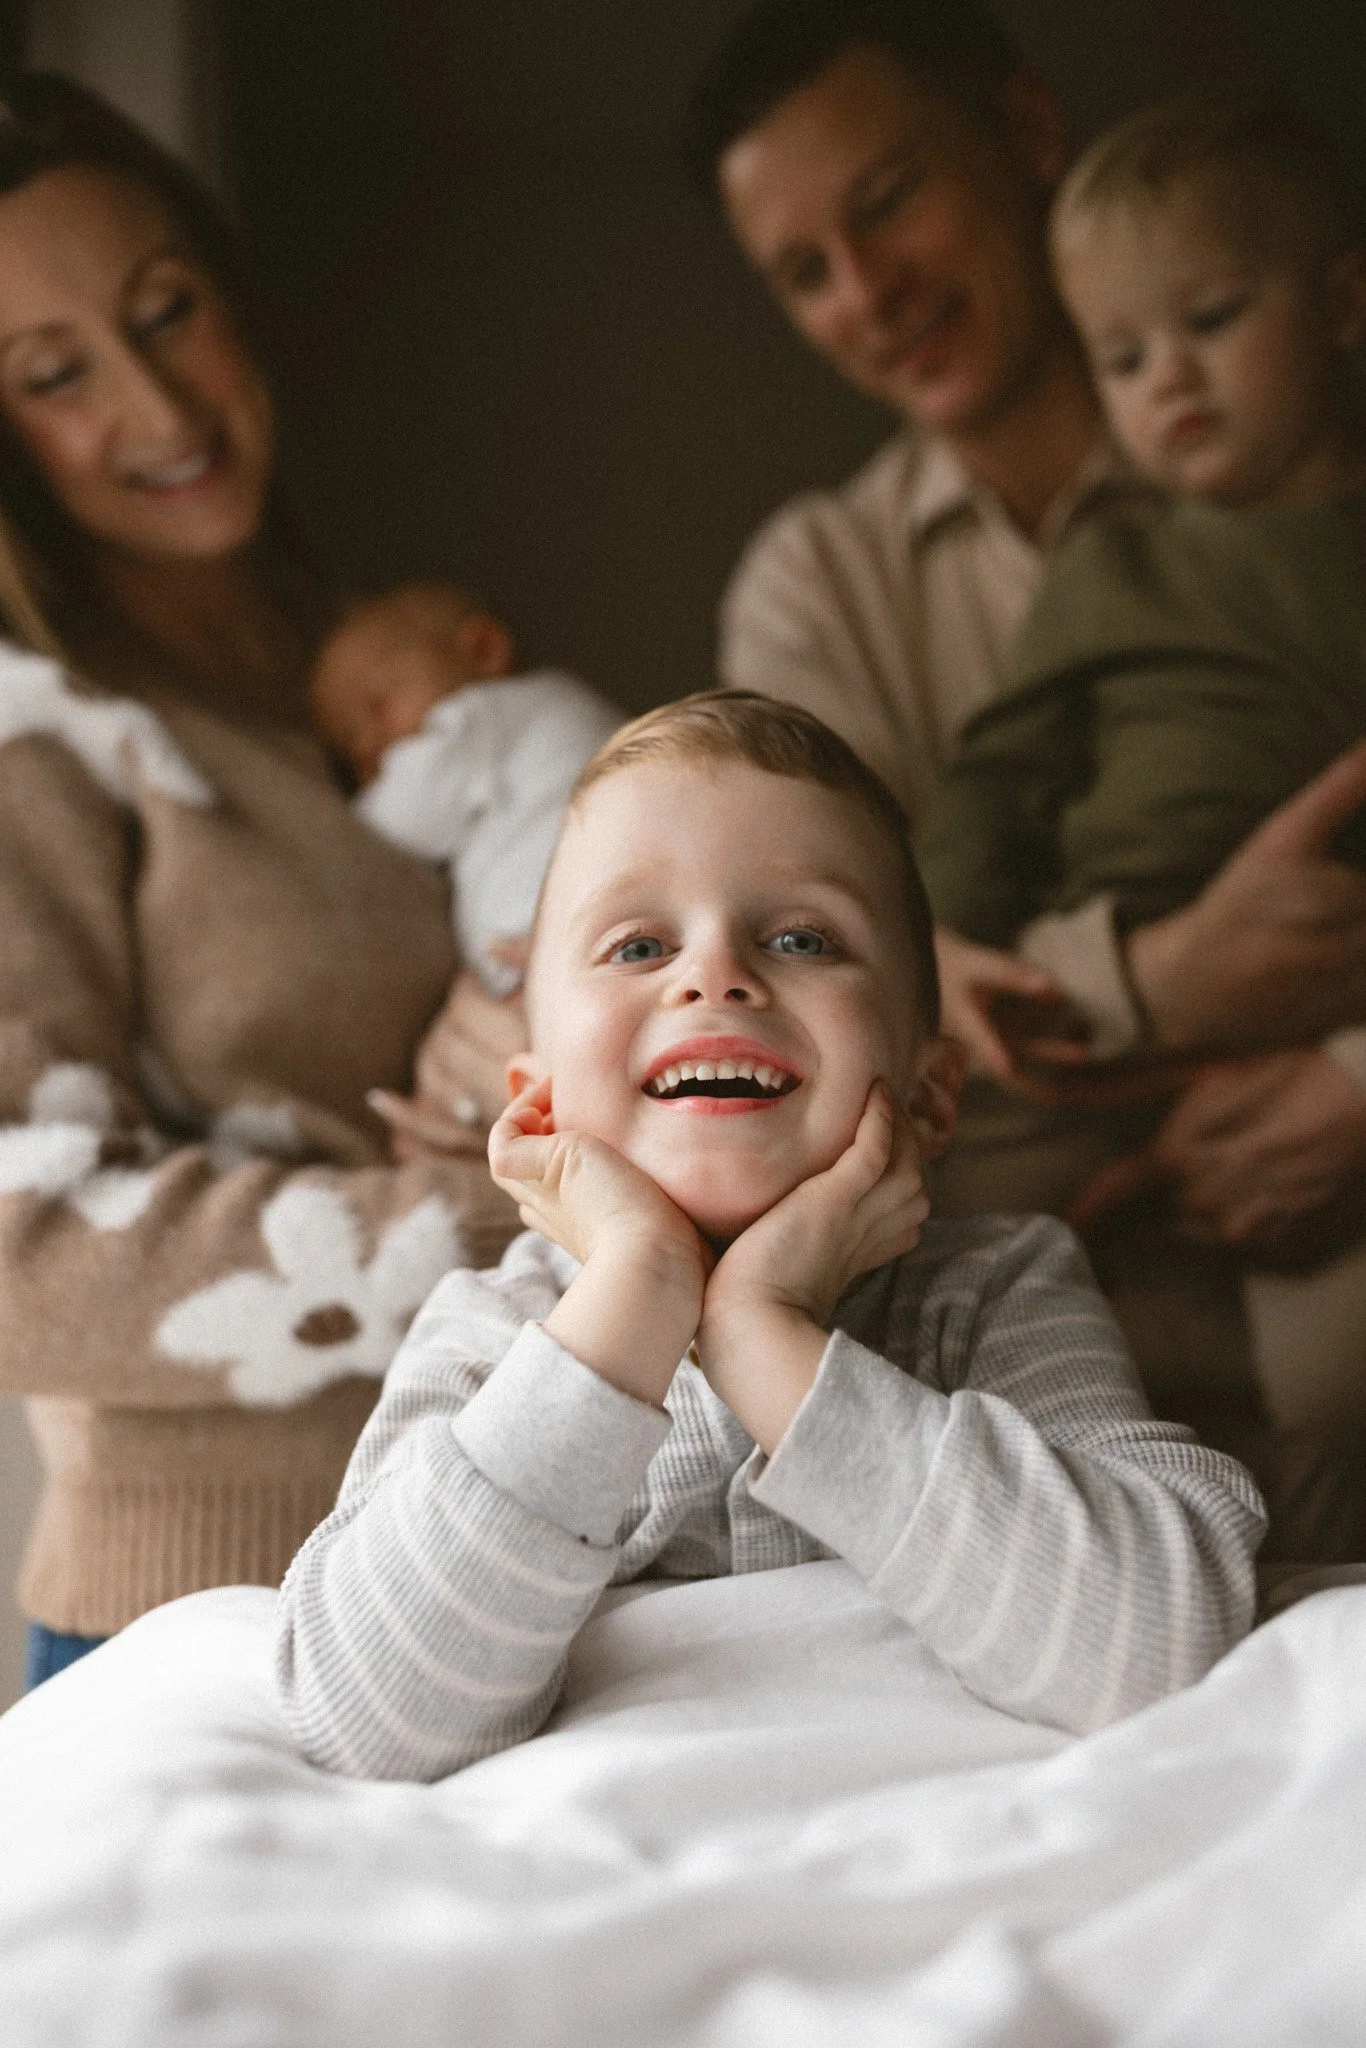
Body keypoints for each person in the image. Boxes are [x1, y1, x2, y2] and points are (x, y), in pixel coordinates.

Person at [275, 692, 1264, 1781]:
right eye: (638, 942)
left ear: (931, 1099)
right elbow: (365, 1712)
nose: (714, 975)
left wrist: (765, 1334)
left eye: (801, 937)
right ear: (540, 1104)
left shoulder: (991, 1291)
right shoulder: (494, 1330)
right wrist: (636, 1293)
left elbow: (1158, 1645)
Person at [676, 0, 1366, 1558]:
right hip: (1038, 1338)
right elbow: (808, 1003)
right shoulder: (818, 582)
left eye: (889, 201)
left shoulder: (1305, 470)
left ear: (1028, 138)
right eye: (803, 270)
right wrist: (1156, 981)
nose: (867, 291)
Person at [0, 74, 518, 1688]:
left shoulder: (369, 673)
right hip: (199, 1613)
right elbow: (21, 1240)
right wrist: (492, 1219)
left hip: (482, 1540)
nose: (160, 408)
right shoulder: (39, 731)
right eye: (55, 374)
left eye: (169, 312)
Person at [922, 93, 1366, 1078]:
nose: (1167, 375)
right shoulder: (1114, 569)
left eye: (1209, 319)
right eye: (1122, 358)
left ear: (1341, 305)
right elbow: (996, 778)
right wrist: (929, 940)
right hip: (1116, 983)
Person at [310, 583, 621, 1000]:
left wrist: (336, 812)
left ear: (483, 651)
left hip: (575, 923)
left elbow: (399, 822)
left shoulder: (483, 716)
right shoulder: (533, 715)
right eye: (351, 747)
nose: (368, 743)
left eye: (377, 705)